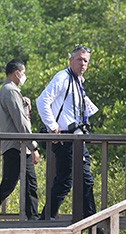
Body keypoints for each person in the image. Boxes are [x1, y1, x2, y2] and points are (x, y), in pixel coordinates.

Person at [37, 45, 98, 224]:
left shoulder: (78, 81)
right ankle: (46, 223)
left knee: (83, 180)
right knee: (68, 181)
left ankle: (91, 221)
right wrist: (53, 127)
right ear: (71, 60)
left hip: (77, 138)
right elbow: (42, 101)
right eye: (79, 59)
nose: (82, 63)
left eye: (85, 60)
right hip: (66, 139)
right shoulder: (63, 77)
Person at [0, 60, 40, 222]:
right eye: (23, 73)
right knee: (12, 184)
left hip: (17, 145)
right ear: (17, 72)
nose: (24, 76)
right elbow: (20, 121)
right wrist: (33, 146)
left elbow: (18, 115)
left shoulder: (10, 91)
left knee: (27, 183)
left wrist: (25, 106)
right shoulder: (11, 91)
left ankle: (33, 218)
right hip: (17, 146)